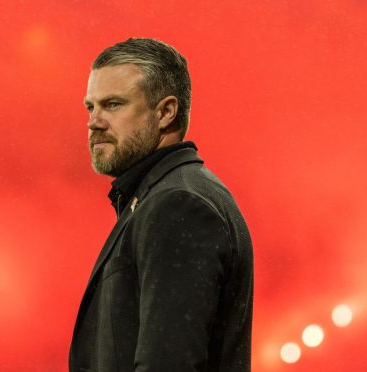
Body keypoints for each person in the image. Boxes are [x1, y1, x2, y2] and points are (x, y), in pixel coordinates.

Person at [69, 38, 253, 372]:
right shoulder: (164, 197)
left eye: (112, 104)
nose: (93, 122)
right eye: (90, 107)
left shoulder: (178, 206)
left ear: (165, 112)